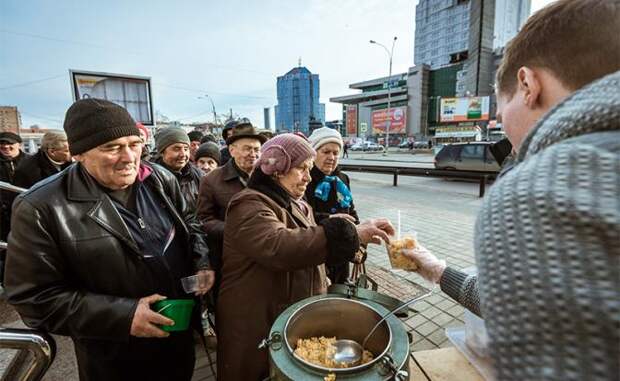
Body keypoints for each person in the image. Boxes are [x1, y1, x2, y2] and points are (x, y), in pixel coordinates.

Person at [402, 1, 620, 380]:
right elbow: (536, 306)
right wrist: (438, 270)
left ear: (527, 84)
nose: (508, 138)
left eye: (502, 117)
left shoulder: (539, 190)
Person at [4, 98, 213, 381]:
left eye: (134, 143)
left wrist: (201, 262)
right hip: (115, 352)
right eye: (111, 148)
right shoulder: (42, 206)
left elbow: (190, 222)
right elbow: (33, 297)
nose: (129, 157)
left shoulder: (159, 179)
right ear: (77, 154)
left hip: (176, 333)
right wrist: (123, 316)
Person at [216, 133, 394, 380]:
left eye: (309, 169)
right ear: (278, 169)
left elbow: (305, 235)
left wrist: (346, 237)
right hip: (255, 320)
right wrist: (348, 234)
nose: (308, 177)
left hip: (285, 312)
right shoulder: (248, 203)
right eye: (302, 168)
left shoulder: (297, 202)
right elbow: (280, 246)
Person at [196, 121, 266, 308]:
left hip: (263, 256)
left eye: (257, 149)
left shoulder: (268, 178)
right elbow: (203, 220)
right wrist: (233, 230)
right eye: (247, 149)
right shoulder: (212, 180)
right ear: (232, 150)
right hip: (227, 260)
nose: (253, 154)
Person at [307, 127, 360, 284]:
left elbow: (351, 211)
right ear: (313, 152)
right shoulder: (304, 178)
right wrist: (332, 220)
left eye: (336, 153)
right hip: (318, 252)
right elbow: (302, 216)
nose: (332, 157)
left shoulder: (343, 179)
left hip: (343, 255)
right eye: (326, 152)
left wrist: (359, 244)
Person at [155, 127, 203, 212]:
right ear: (162, 152)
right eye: (176, 149)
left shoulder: (198, 176)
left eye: (186, 149)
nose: (183, 154)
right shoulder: (151, 178)